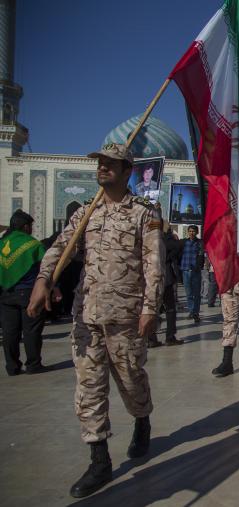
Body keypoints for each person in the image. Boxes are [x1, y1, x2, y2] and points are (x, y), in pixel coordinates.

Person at [27, 143, 164, 498]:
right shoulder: (85, 213)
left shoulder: (144, 213)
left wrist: (150, 308)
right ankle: (99, 459)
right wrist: (44, 279)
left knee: (132, 380)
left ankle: (142, 417)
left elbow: (153, 264)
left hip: (126, 316)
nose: (102, 168)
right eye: (100, 163)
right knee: (89, 388)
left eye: (110, 164)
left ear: (127, 171)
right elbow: (59, 249)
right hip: (86, 316)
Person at [0, 210, 49, 375]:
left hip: (6, 293)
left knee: (9, 331)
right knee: (31, 330)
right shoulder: (33, 244)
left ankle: (12, 367)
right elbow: (45, 268)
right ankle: (33, 364)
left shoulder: (2, 243)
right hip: (29, 293)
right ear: (26, 226)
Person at [148, 224, 184, 347]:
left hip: (150, 276)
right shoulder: (165, 239)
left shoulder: (148, 238)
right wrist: (169, 235)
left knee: (152, 308)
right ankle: (170, 337)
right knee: (170, 308)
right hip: (165, 276)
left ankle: (151, 338)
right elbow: (178, 246)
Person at [180, 225, 204, 323]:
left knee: (196, 294)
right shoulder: (183, 242)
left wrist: (199, 266)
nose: (191, 233)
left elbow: (201, 256)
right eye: (189, 231)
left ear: (197, 232)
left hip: (195, 272)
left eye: (193, 231)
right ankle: (191, 311)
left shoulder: (199, 243)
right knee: (189, 293)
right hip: (185, 270)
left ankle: (196, 313)